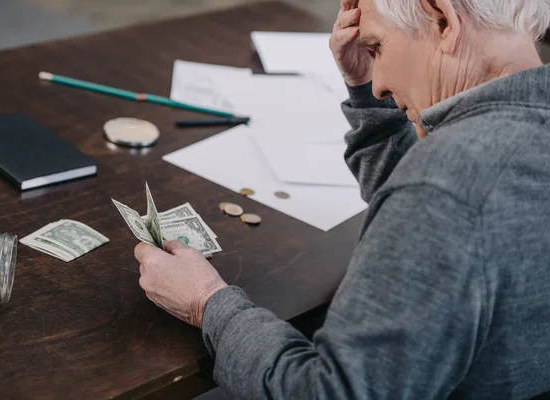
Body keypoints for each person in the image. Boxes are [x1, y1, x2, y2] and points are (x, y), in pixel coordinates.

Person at [134, 0, 550, 398]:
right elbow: (437, 228)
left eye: (377, 47)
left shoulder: (444, 188)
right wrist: (363, 89)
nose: (381, 83)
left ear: (444, 19)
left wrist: (207, 303)